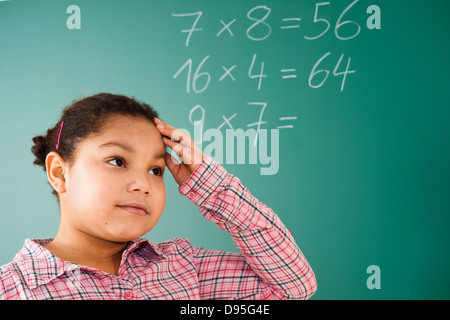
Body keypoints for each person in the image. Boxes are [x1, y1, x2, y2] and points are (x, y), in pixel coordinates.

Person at [0, 93, 316, 300]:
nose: (143, 184)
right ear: (59, 172)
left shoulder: (184, 267)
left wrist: (209, 182)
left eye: (156, 170)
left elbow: (292, 287)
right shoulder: (12, 289)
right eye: (117, 161)